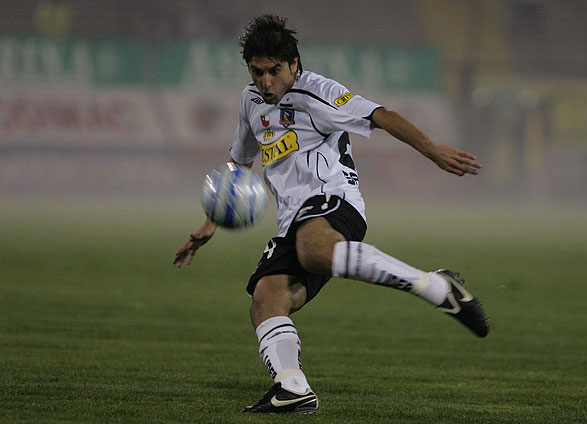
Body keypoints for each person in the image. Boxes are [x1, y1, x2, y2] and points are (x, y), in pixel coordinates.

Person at [174, 14, 489, 415]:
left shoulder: (318, 92)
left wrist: (433, 150)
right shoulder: (250, 102)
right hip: (293, 220)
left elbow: (380, 115)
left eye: (274, 71)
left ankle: (434, 287)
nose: (266, 81)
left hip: (334, 199)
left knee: (313, 250)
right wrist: (210, 223)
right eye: (257, 71)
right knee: (267, 298)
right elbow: (240, 162)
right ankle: (292, 387)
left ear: (294, 64)